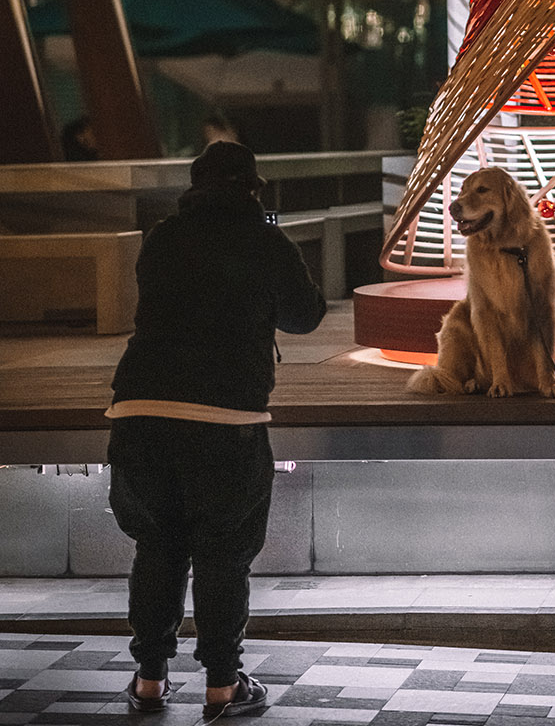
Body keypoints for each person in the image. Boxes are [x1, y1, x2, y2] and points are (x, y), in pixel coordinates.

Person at [106, 141, 326, 716]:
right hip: (225, 419)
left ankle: (149, 681)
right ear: (253, 189)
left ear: (193, 188)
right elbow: (305, 315)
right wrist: (272, 241)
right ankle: (222, 687)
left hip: (141, 410)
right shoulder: (265, 238)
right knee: (223, 555)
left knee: (157, 547)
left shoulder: (163, 237)